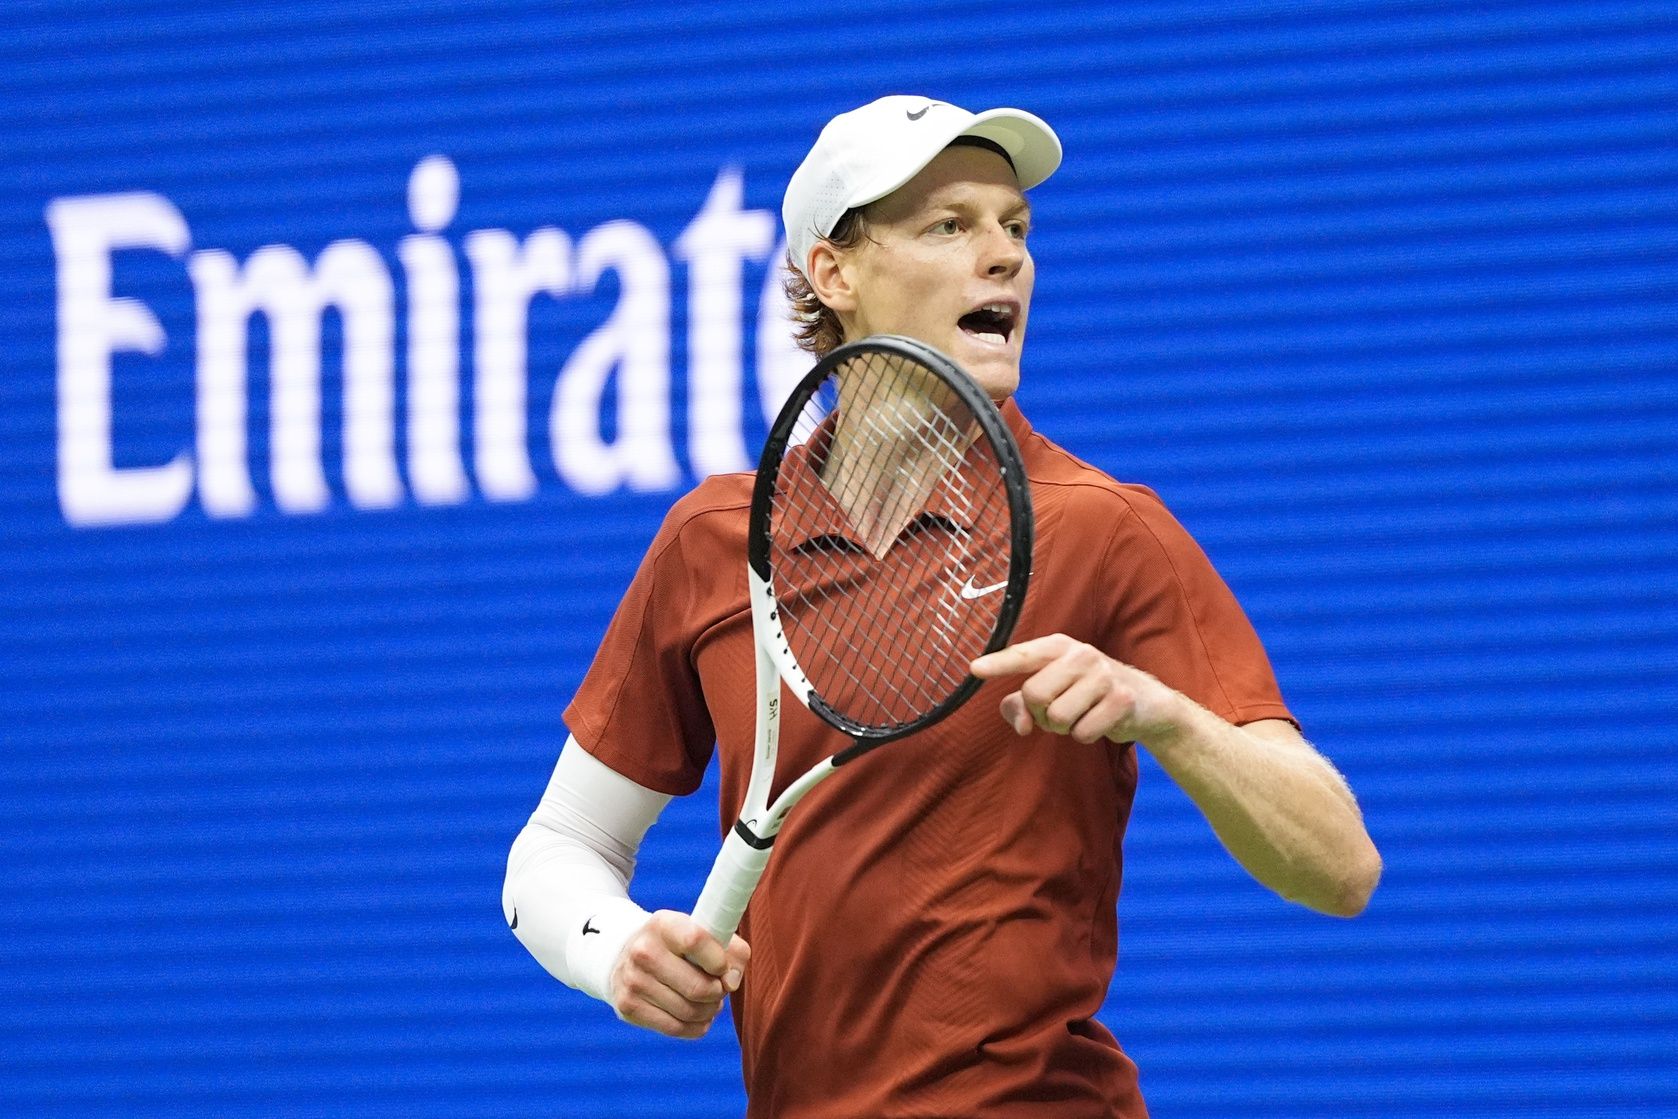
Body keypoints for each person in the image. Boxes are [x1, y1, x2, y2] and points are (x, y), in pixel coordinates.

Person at [503, 95, 1383, 1118]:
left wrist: (1164, 714)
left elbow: (1339, 866)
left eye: (1015, 227)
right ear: (834, 272)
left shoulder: (1101, 527)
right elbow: (558, 850)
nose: (1005, 257)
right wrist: (616, 953)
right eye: (948, 226)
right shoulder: (716, 539)